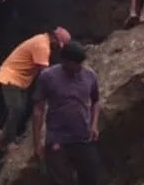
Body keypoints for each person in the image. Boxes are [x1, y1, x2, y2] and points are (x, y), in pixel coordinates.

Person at [32, 41, 100, 185]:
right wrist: (37, 142)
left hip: (83, 136)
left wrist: (94, 125)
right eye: (75, 63)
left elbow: (95, 101)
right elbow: (38, 109)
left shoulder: (89, 76)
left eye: (80, 63)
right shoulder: (47, 76)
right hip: (57, 138)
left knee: (90, 177)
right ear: (65, 61)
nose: (79, 66)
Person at [0, 27, 71, 151]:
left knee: (20, 109)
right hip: (11, 76)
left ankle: (9, 136)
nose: (58, 48)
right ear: (54, 38)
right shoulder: (42, 46)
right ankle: (5, 141)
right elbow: (45, 73)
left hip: (20, 79)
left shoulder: (42, 40)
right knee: (16, 109)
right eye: (58, 44)